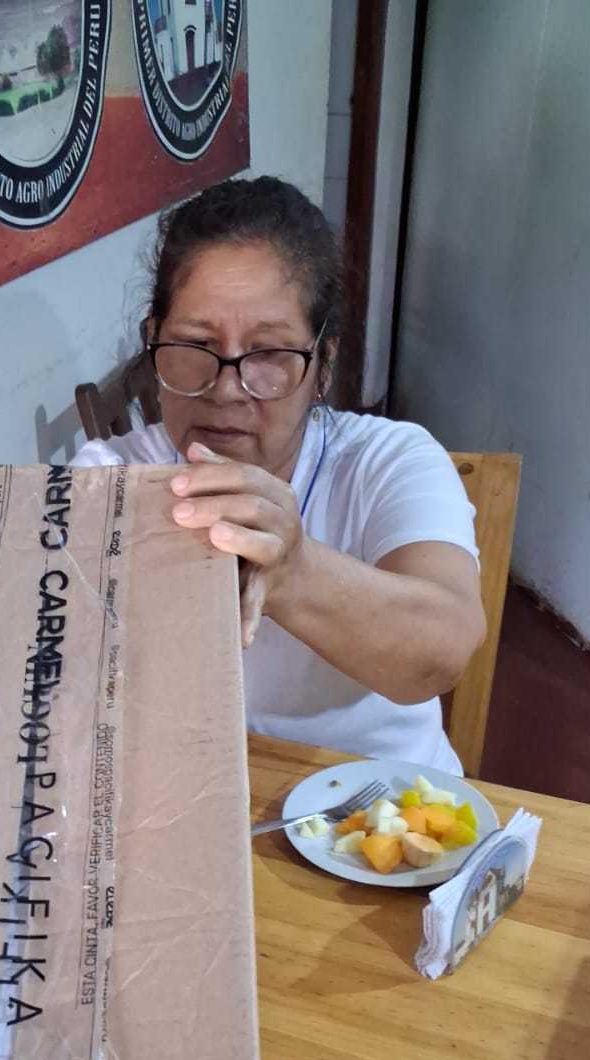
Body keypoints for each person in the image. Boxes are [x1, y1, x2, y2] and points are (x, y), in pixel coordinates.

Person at [71, 176, 485, 772]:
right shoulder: (112, 477)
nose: (226, 389)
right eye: (195, 344)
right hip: (200, 793)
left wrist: (294, 570)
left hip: (384, 804)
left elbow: (442, 651)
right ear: (152, 340)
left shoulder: (387, 461)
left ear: (323, 365)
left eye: (269, 354)